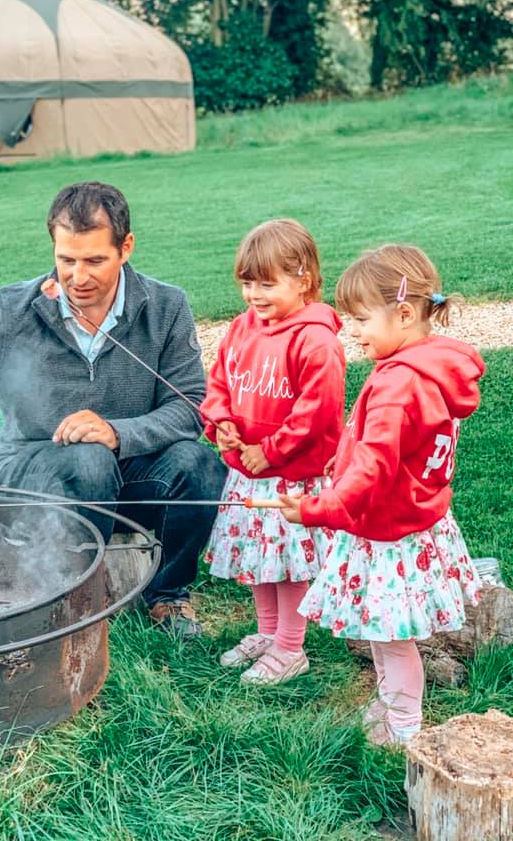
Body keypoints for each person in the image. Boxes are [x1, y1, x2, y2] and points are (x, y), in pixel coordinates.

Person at [0, 181, 227, 638]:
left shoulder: (166, 306)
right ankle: (76, 596)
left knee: (198, 464)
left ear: (126, 248)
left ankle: (167, 597)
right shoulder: (13, 308)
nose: (78, 276)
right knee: (89, 460)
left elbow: (190, 408)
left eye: (95, 260)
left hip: (129, 470)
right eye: (67, 260)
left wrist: (117, 433)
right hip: (36, 474)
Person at [279, 244, 484, 745]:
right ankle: (394, 703)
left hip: (389, 535)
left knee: (390, 640)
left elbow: (375, 467)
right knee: (383, 635)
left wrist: (317, 509)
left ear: (405, 313)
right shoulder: (429, 367)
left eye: (362, 318)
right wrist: (343, 456)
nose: (355, 330)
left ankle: (404, 728)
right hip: (418, 521)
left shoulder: (399, 383)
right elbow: (390, 447)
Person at [200, 219, 345, 685]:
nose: (254, 295)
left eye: (267, 283)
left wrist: (273, 450)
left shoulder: (315, 339)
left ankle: (290, 647)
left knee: (287, 565)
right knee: (259, 559)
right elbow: (218, 382)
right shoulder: (243, 328)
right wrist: (219, 423)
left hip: (290, 477)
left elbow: (318, 411)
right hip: (249, 472)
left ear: (303, 279)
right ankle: (267, 633)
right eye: (247, 283)